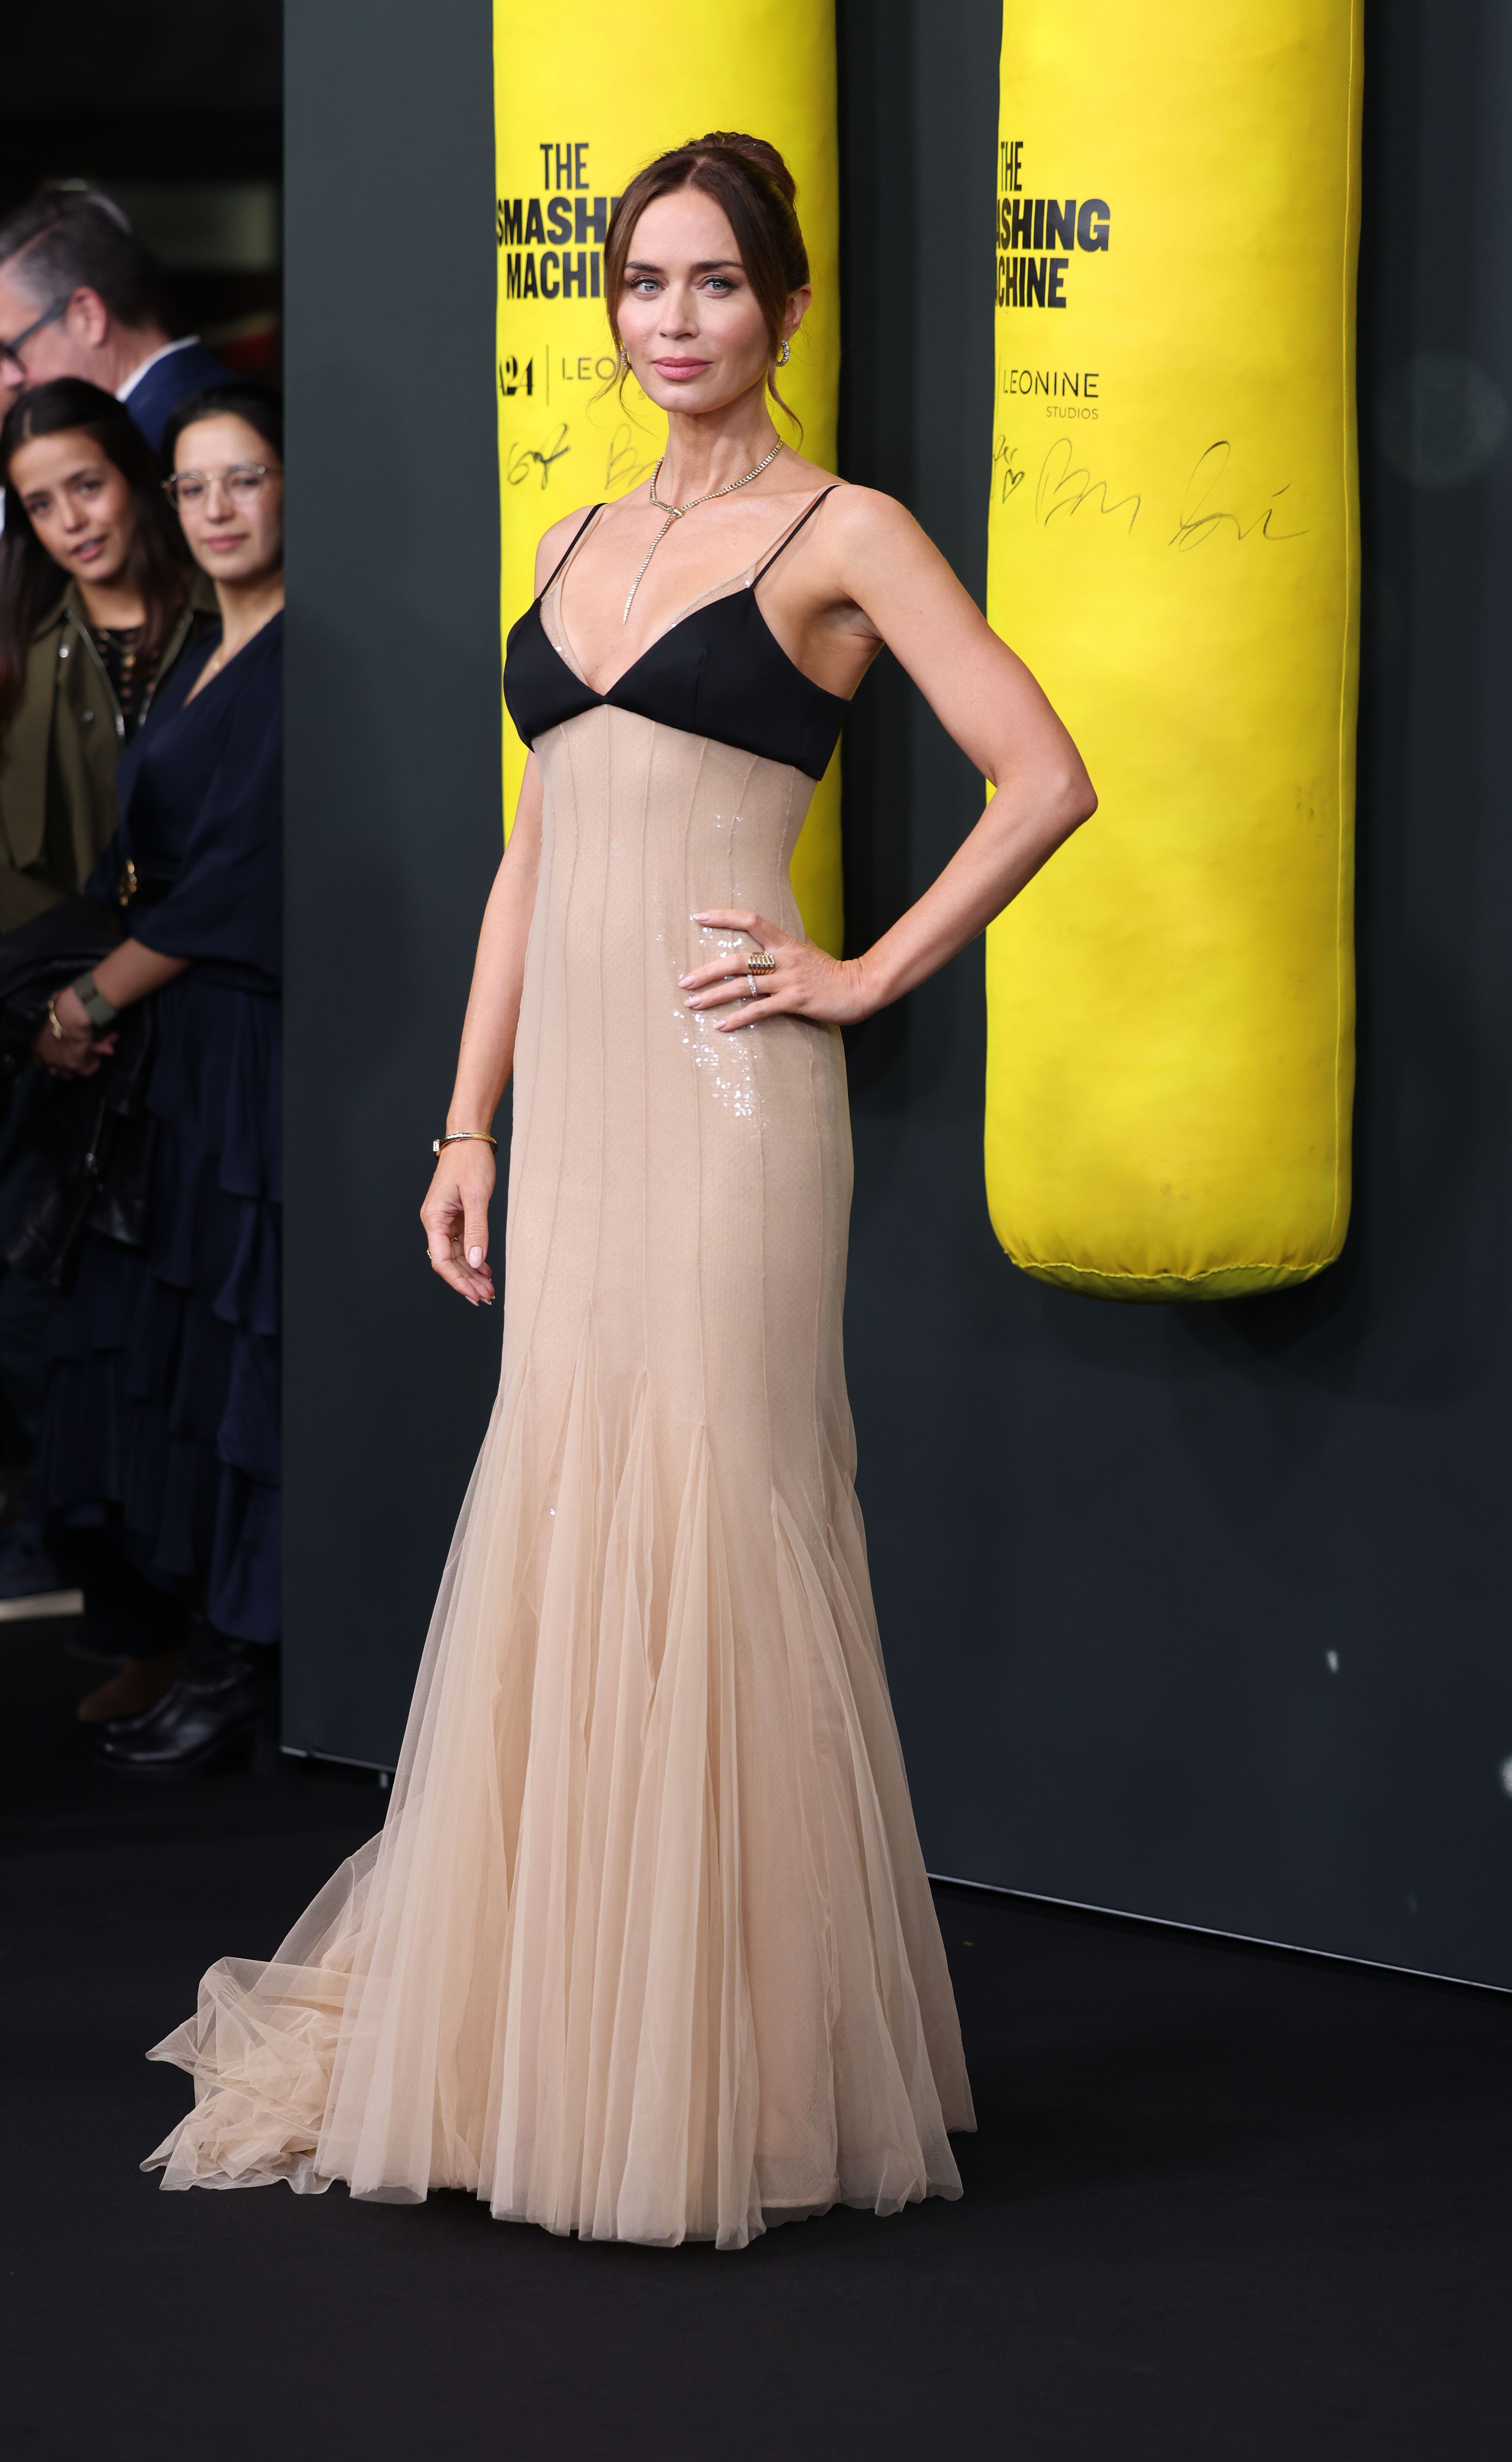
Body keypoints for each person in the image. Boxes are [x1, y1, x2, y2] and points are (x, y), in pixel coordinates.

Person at [143, 134, 1095, 2249]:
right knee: (567, 1516)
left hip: (734, 1100)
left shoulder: (846, 533)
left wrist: (859, 973)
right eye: (642, 282)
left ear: (784, 305)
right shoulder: (570, 534)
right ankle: (557, 2052)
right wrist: (464, 1125)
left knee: (719, 1517)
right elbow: (535, 851)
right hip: (568, 1113)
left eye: (713, 283)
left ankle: (724, 2075)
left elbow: (1043, 775)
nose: (673, 318)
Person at [33, 381, 283, 1772]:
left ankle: (247, 1662)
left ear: (289, 485)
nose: (217, 508)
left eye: (244, 478)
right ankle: (205, 1640)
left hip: (241, 1042)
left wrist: (88, 994)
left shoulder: (294, 653)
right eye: (194, 486)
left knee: (246, 1347)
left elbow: (238, 882)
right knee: (179, 1348)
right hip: (177, 1050)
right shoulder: (203, 650)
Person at [0, 378, 213, 1644]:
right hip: (52, 1046)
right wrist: (43, 1016)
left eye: (87, 484)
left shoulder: (224, 622)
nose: (73, 519)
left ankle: (202, 1639)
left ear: (135, 476)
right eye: (42, 503)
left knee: (193, 1328)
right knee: (49, 1324)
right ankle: (131, 1626)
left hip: (200, 1021)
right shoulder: (25, 643)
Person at [0, 194, 229, 456]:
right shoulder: (209, 403)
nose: (12, 379)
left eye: (11, 351)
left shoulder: (177, 445)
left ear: (88, 317)